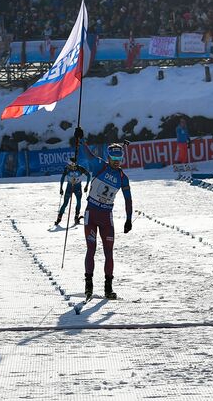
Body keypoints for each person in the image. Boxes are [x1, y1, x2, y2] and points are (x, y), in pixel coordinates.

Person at [75, 127, 133, 300]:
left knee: (109, 252)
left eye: (120, 158)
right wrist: (81, 139)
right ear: (109, 157)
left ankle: (108, 288)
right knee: (91, 249)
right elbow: (87, 154)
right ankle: (89, 287)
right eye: (114, 158)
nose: (117, 161)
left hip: (106, 217)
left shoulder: (123, 177)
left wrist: (129, 219)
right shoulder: (99, 165)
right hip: (91, 213)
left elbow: (128, 199)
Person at [55, 158, 90, 226]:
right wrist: (61, 188)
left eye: (69, 164)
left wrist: (87, 186)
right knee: (65, 203)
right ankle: (59, 218)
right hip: (69, 187)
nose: (68, 165)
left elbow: (88, 175)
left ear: (73, 164)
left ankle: (76, 217)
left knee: (79, 202)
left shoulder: (80, 168)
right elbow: (62, 177)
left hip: (78, 188)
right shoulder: (67, 169)